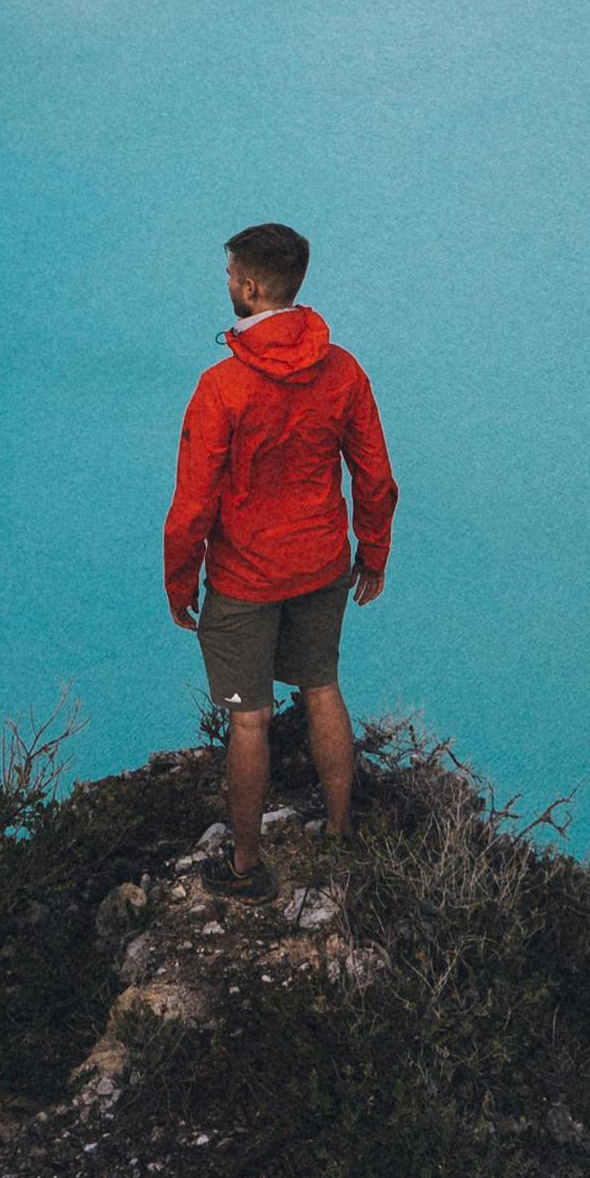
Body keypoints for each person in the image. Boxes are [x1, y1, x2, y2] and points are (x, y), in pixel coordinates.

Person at [163, 219, 397, 892]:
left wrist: (180, 583)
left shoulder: (222, 387)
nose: (228, 283)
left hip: (243, 581)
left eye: (233, 275)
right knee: (321, 686)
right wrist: (372, 555)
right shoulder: (344, 370)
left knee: (249, 714)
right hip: (322, 565)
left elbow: (192, 506)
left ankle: (246, 865)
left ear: (254, 285)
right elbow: (375, 477)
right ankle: (343, 831)